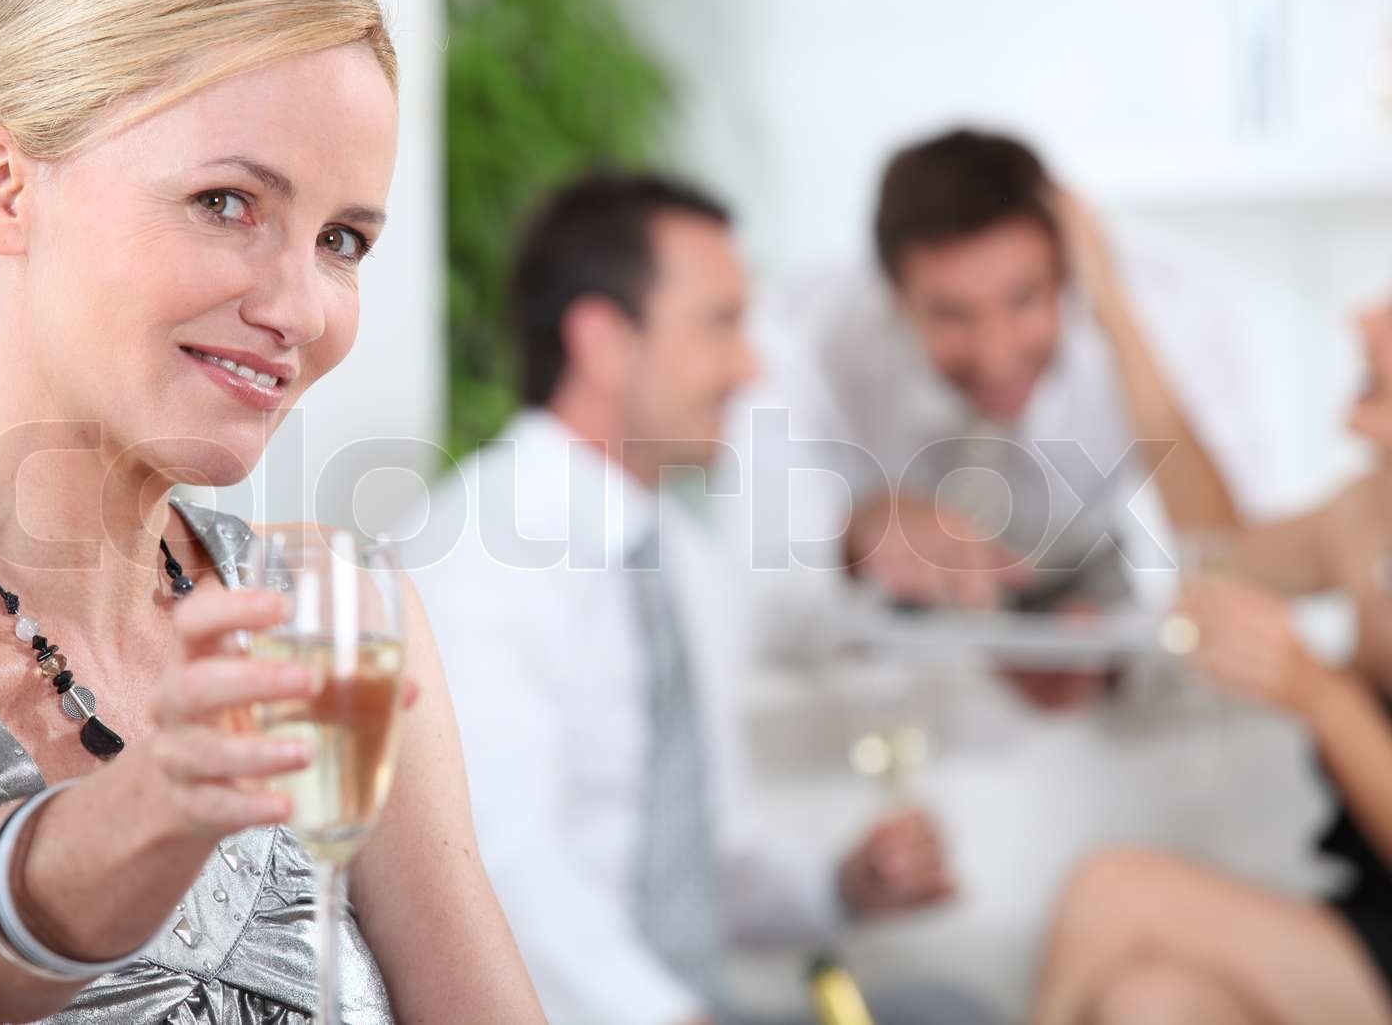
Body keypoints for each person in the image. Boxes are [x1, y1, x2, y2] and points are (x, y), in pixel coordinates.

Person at [0, 0, 545, 1023]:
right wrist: (160, 798)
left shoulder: (325, 608)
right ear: (3, 187)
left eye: (341, 240)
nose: (299, 308)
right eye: (226, 203)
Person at [399, 174, 994, 1025]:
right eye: (721, 324)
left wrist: (842, 884)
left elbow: (703, 864)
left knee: (946, 1010)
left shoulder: (684, 564)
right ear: (603, 340)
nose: (750, 368)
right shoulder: (469, 558)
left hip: (683, 1001)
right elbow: (495, 873)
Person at [756, 128, 1264, 709]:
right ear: (894, 295)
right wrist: (856, 529)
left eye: (1024, 299)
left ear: (1065, 273)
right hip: (906, 603)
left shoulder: (1170, 309)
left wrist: (1117, 315)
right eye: (952, 315)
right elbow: (771, 575)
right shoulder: (813, 332)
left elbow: (1234, 560)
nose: (996, 356)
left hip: (1093, 579)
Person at [1031, 307, 1392, 1025]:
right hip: (1369, 922)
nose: (1348, 421)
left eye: (1375, 384)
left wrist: (1324, 699)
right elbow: (1216, 553)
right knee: (1152, 1004)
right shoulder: (1367, 515)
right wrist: (1114, 308)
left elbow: (1325, 698)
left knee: (1112, 892)